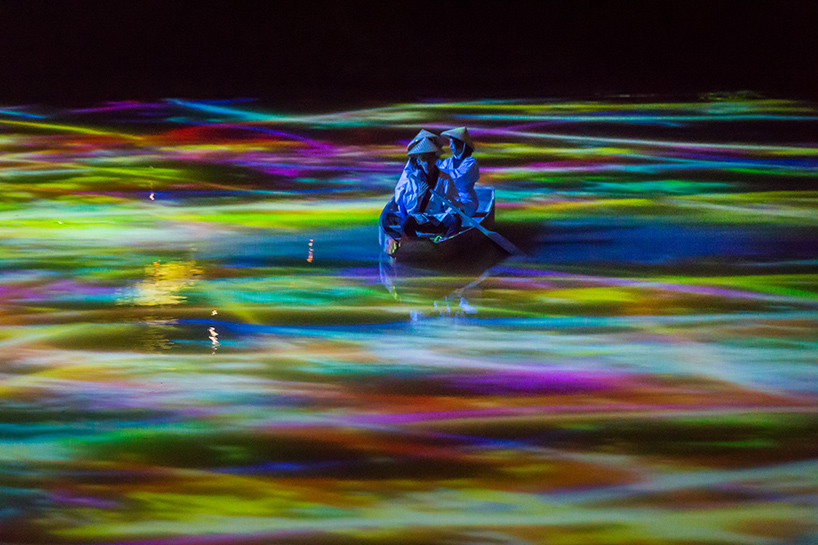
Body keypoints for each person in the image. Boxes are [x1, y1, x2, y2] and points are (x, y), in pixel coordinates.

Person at [395, 138, 462, 239]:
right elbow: (409, 207)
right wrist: (417, 196)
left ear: (435, 159)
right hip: (420, 218)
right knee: (406, 223)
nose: (427, 162)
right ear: (419, 160)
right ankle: (416, 243)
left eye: (430, 158)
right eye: (423, 158)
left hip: (439, 217)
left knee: (455, 220)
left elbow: (452, 203)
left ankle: (445, 241)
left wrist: (451, 211)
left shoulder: (445, 178)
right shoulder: (413, 178)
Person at [395, 129, 445, 203]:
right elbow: (402, 188)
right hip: (414, 200)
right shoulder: (411, 165)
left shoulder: (439, 164)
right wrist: (417, 194)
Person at [438, 127, 479, 217]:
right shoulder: (448, 161)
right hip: (448, 198)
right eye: (450, 143)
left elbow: (459, 177)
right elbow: (439, 177)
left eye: (453, 143)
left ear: (461, 145)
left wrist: (438, 171)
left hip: (465, 199)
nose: (450, 146)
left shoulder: (470, 161)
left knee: (456, 212)